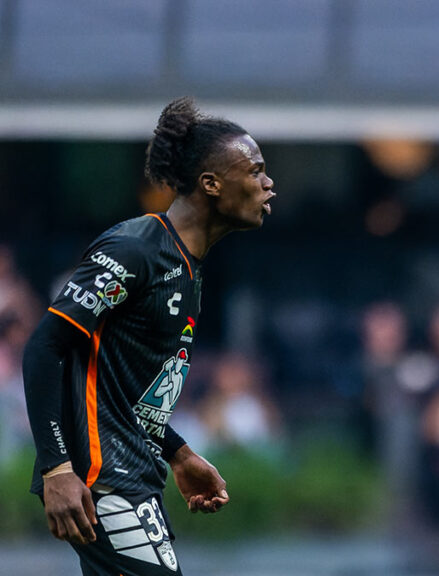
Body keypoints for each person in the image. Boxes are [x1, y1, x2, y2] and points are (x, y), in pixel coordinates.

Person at [22, 96, 275, 575]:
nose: (268, 183)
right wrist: (57, 468)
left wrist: (177, 451)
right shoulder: (135, 250)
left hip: (137, 471)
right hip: (103, 476)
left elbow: (124, 388)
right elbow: (45, 346)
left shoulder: (187, 266)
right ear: (212, 184)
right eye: (256, 170)